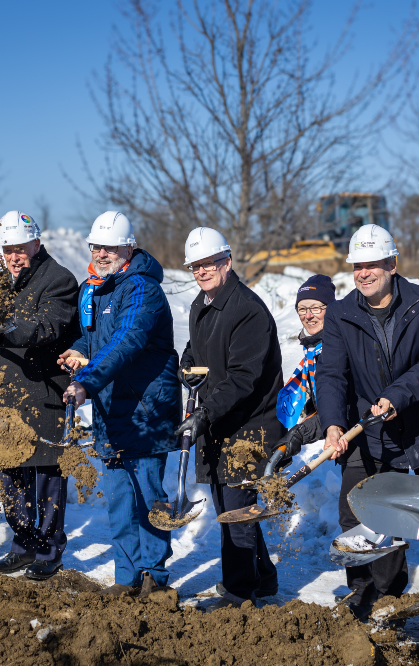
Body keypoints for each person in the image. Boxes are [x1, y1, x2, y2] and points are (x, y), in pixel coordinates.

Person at [316, 224, 419, 624]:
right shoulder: (342, 314)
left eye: (373, 265)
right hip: (370, 428)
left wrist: (397, 396)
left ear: (392, 264)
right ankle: (372, 595)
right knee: (358, 512)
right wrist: (332, 423)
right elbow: (331, 374)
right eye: (357, 266)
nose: (364, 273)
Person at [59, 211, 181, 597]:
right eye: (95, 246)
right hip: (110, 411)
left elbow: (127, 340)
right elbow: (92, 339)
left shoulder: (143, 289)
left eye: (109, 247)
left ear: (128, 247)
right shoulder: (91, 288)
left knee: (149, 498)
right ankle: (126, 578)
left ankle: (155, 579)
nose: (101, 253)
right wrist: (79, 353)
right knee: (118, 500)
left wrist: (86, 382)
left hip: (146, 411)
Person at [175, 227, 284, 610]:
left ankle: (239, 594)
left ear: (227, 262)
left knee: (236, 508)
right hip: (221, 420)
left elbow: (242, 378)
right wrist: (187, 363)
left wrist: (204, 414)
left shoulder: (248, 310)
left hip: (251, 424)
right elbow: (196, 347)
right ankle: (263, 576)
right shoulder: (202, 304)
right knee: (227, 503)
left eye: (208, 263)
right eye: (195, 266)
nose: (201, 271)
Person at [0, 210, 79, 581]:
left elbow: (45, 327)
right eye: (8, 250)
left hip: (47, 389)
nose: (14, 256)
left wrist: (2, 332)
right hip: (10, 391)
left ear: (37, 244)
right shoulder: (2, 283)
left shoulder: (60, 280)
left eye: (21, 248)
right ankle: (22, 546)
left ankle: (50, 551)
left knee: (47, 473)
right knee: (11, 470)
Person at [265, 274, 336, 469]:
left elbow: (340, 405)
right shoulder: (311, 352)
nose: (308, 315)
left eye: (316, 308)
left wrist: (301, 432)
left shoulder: (337, 349)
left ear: (331, 309)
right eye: (302, 309)